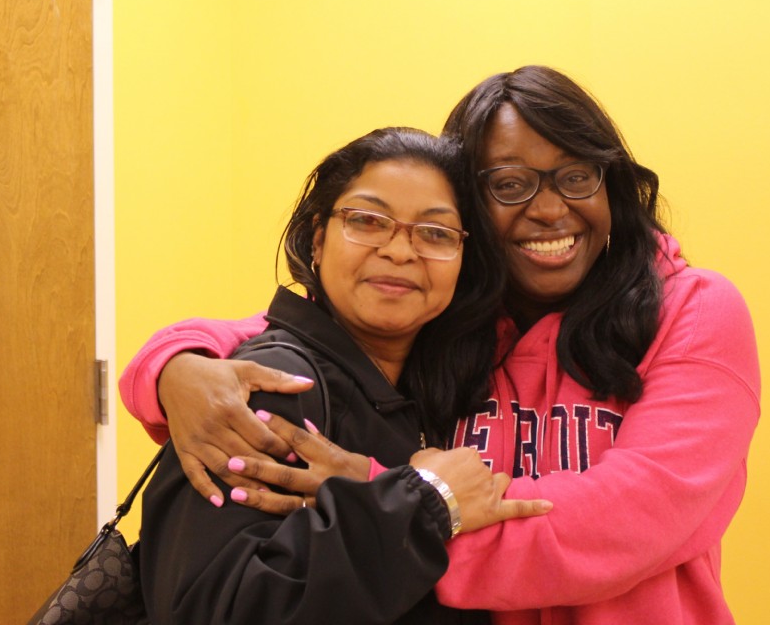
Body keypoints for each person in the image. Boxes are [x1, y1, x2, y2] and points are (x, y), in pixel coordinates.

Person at [123, 66, 761, 624]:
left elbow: (624, 524)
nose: (549, 209)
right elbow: (320, 331)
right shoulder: (458, 317)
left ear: (610, 187)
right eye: (509, 184)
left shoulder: (691, 311)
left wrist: (394, 499)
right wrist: (176, 365)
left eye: (576, 176)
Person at [129, 126, 551, 625]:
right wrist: (428, 502)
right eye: (368, 221)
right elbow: (215, 608)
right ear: (318, 239)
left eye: (435, 233)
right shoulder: (273, 387)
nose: (400, 251)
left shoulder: (438, 387)